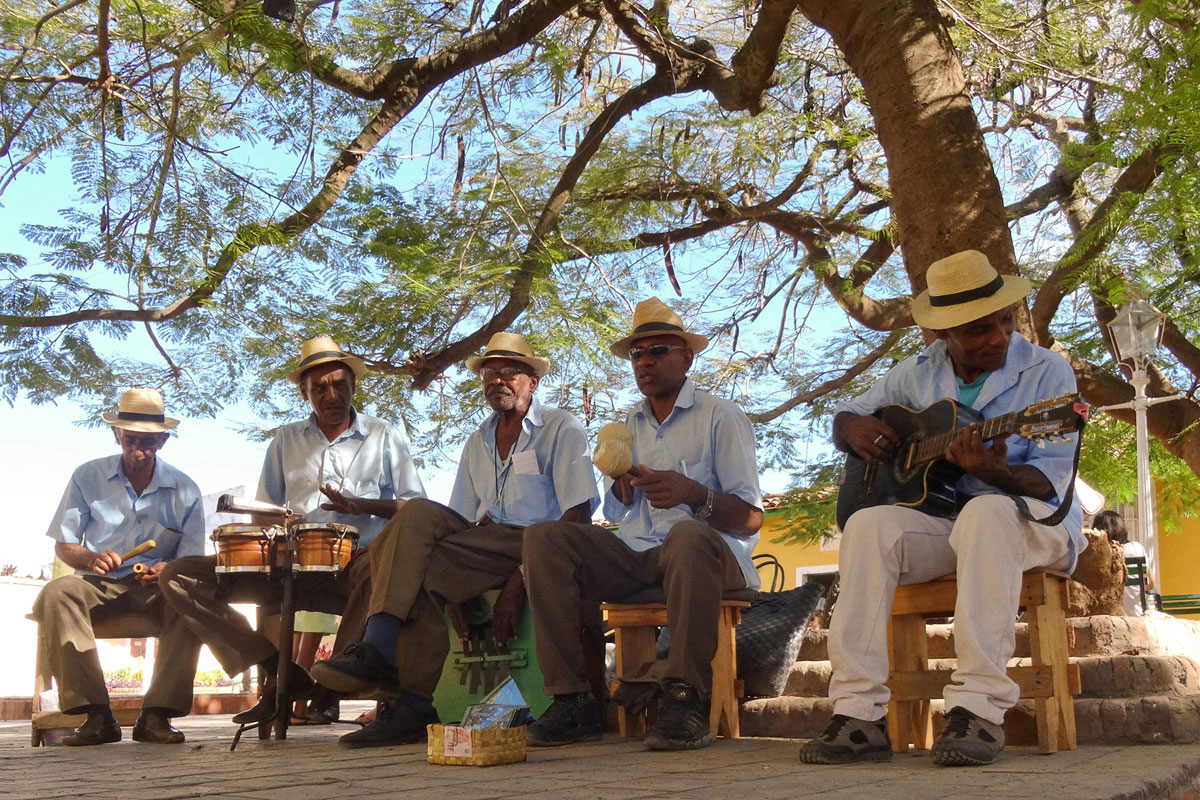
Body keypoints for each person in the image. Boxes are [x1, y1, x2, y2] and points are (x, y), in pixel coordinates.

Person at [799, 249, 1085, 768]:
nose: (998, 336)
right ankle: (858, 716)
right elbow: (850, 415)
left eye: (1004, 320)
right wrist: (851, 430)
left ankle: (977, 709)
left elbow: (1049, 484)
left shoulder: (1049, 374)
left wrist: (995, 473)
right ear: (942, 334)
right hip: (950, 526)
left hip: (1033, 523)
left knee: (988, 512)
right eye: (979, 330)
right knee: (866, 526)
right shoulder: (915, 372)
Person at [312, 332, 601, 747]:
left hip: (543, 545)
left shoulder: (560, 428)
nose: (497, 380)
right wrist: (456, 592)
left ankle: (391, 677)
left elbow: (578, 517)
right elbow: (460, 521)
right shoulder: (477, 440)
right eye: (489, 373)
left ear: (533, 382)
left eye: (509, 372)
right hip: (484, 544)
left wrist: (522, 577)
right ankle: (400, 685)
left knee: (412, 556)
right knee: (414, 530)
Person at [521, 297, 764, 752]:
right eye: (637, 353)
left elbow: (751, 519)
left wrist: (695, 495)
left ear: (687, 357)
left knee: (688, 534)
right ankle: (572, 699)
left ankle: (685, 698)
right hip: (639, 557)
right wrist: (621, 490)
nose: (644, 361)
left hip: (709, 559)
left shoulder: (721, 417)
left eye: (658, 350)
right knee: (543, 537)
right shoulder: (629, 422)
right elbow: (615, 515)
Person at [159, 336, 425, 726]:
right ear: (305, 392)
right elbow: (264, 510)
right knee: (179, 576)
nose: (331, 394)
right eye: (319, 387)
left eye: (340, 385)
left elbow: (415, 508)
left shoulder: (383, 434)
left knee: (376, 572)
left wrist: (361, 506)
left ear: (356, 386)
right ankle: (282, 675)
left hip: (357, 563)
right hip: (293, 563)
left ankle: (332, 686)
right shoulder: (285, 439)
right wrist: (277, 525)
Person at [31, 388, 206, 746]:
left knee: (195, 602)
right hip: (98, 584)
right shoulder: (86, 476)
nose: (137, 450)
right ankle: (96, 715)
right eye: (130, 440)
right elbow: (64, 544)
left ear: (163, 441)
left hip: (158, 590)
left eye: (147, 442)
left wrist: (167, 570)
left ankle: (157, 715)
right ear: (116, 435)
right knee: (56, 593)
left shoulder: (185, 489)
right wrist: (90, 558)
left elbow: (192, 562)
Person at [1092, 509, 1156, 616]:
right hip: (1138, 611)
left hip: (1109, 613)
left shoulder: (1099, 553)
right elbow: (1152, 583)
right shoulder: (1137, 547)